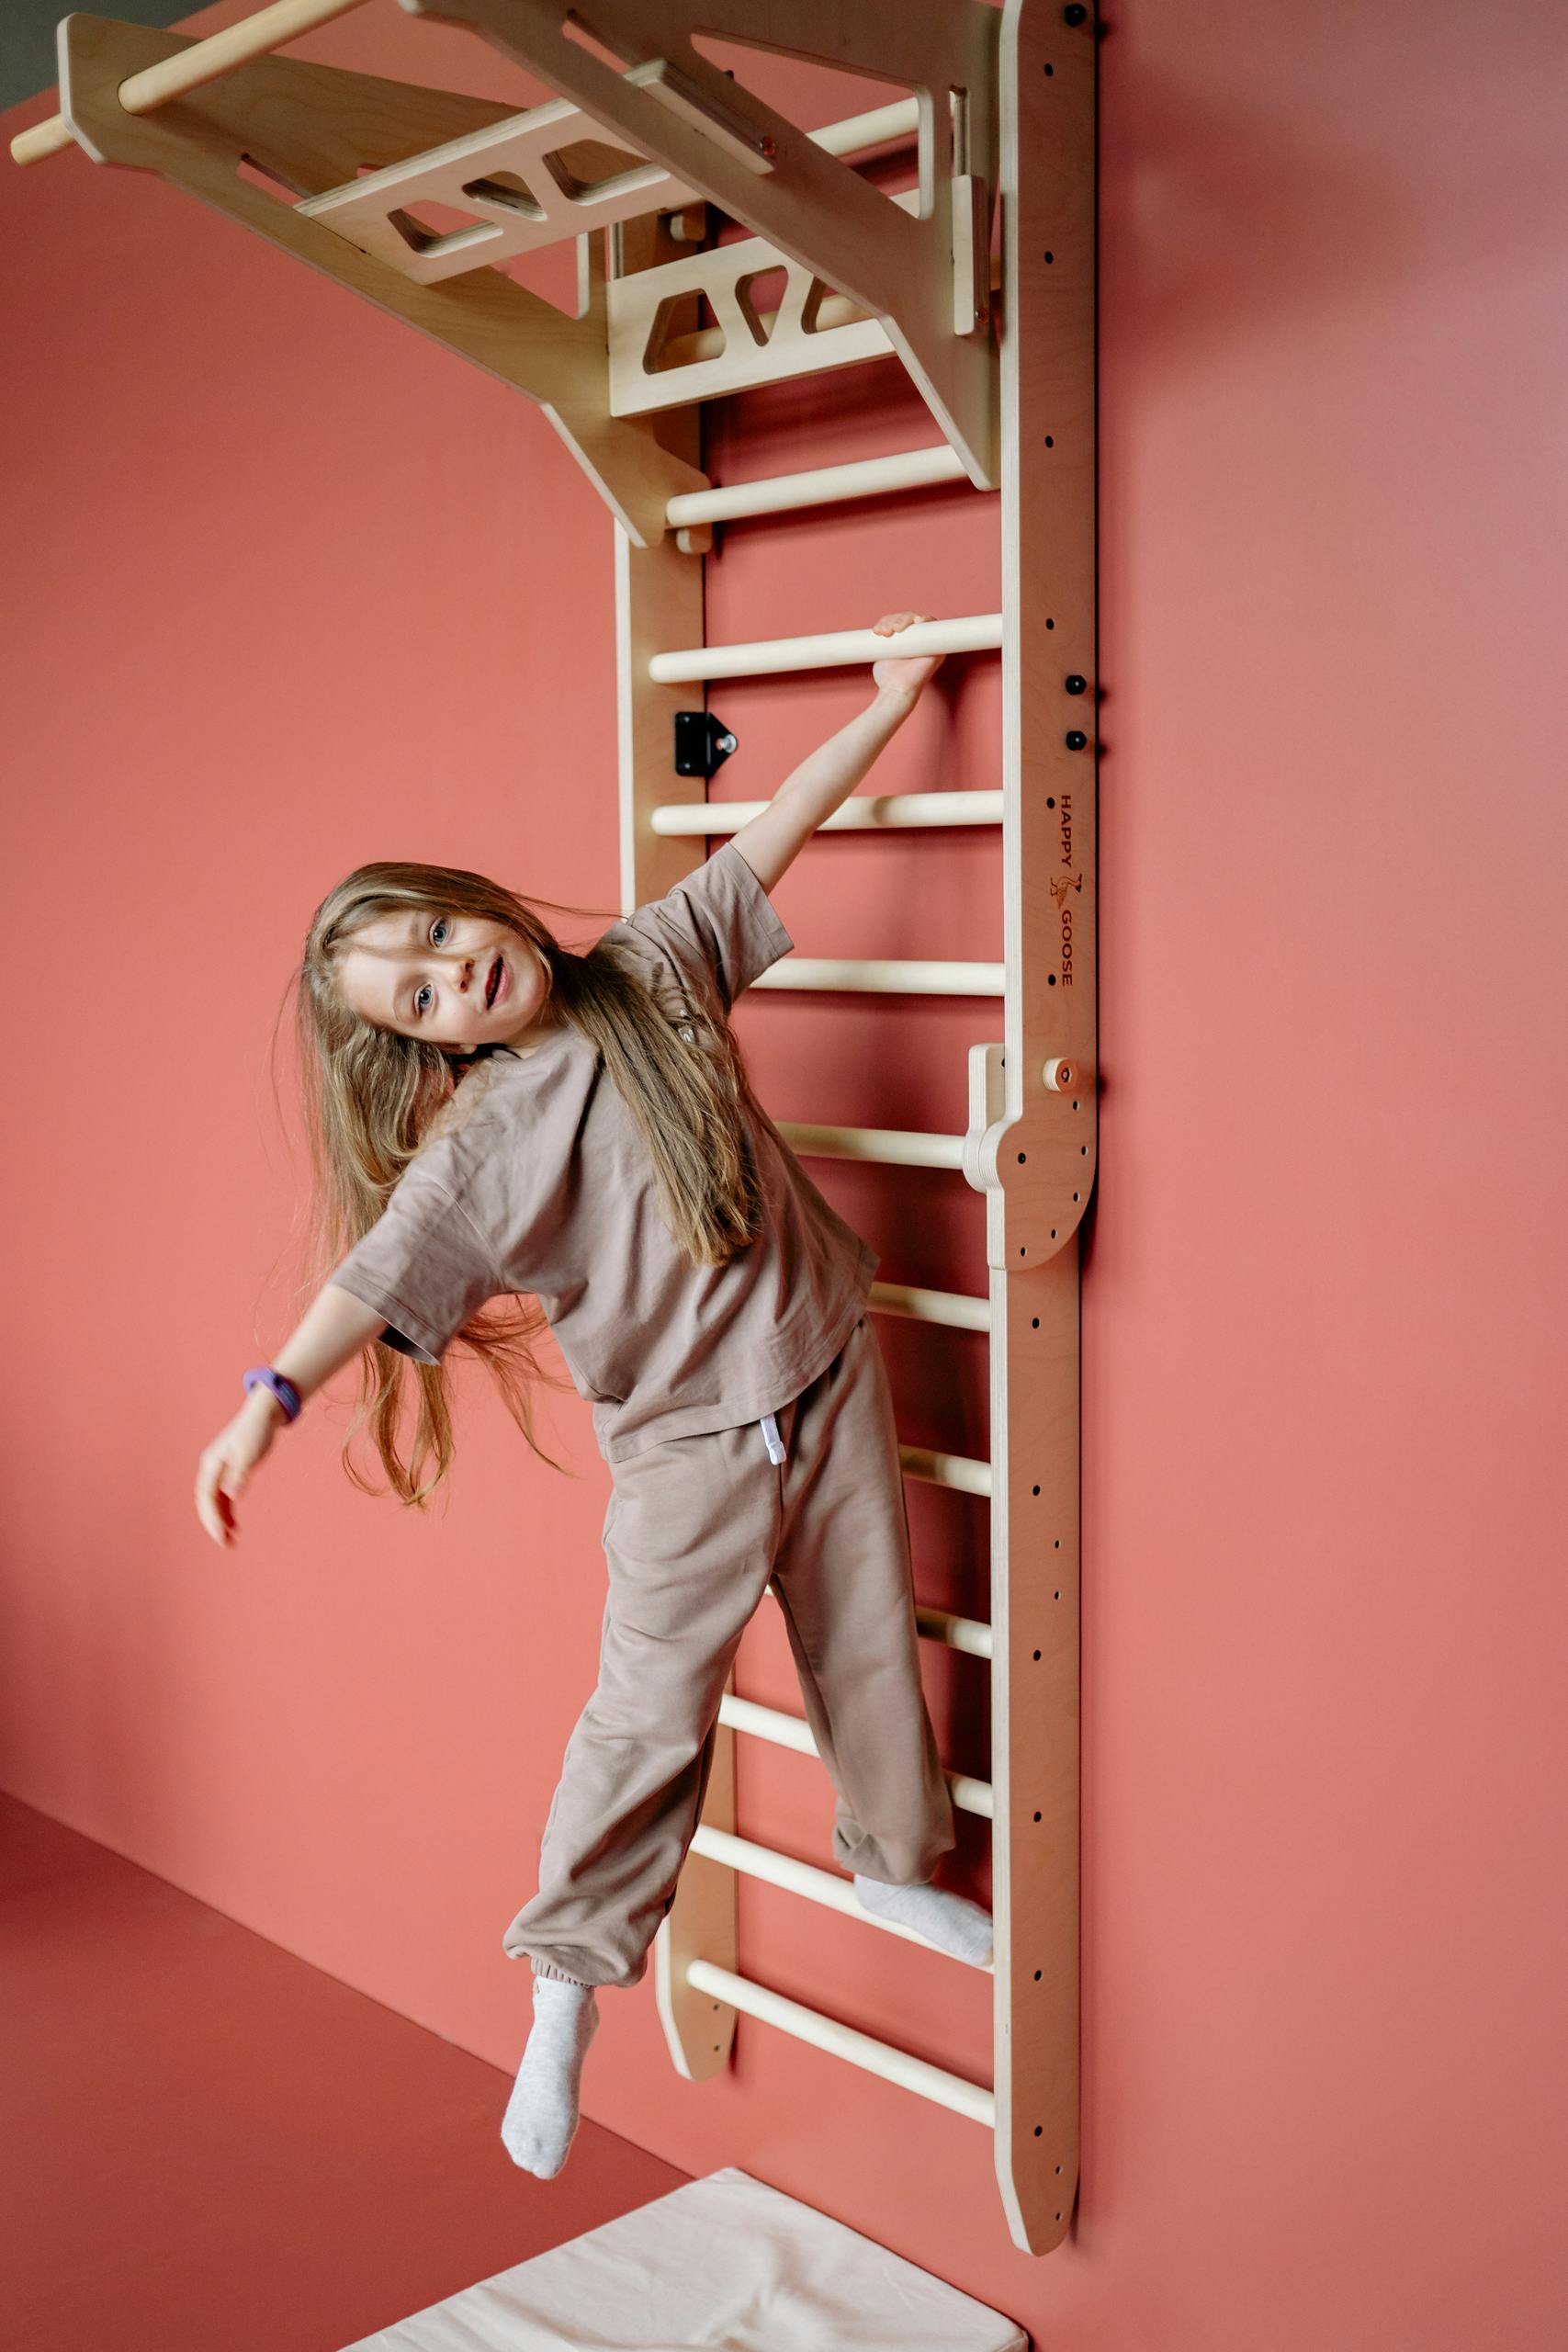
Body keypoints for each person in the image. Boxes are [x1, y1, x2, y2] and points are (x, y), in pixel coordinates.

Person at [194, 610, 993, 2180]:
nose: (449, 975)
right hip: (690, 1444)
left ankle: (898, 1861)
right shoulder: (480, 1146)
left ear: (473, 907)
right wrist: (263, 1406)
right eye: (416, 1000)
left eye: (433, 937)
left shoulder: (650, 968)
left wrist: (893, 700)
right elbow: (371, 1276)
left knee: (865, 1632)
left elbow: (778, 828)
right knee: (648, 1719)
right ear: (421, 1052)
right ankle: (567, 1985)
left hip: (824, 1362)